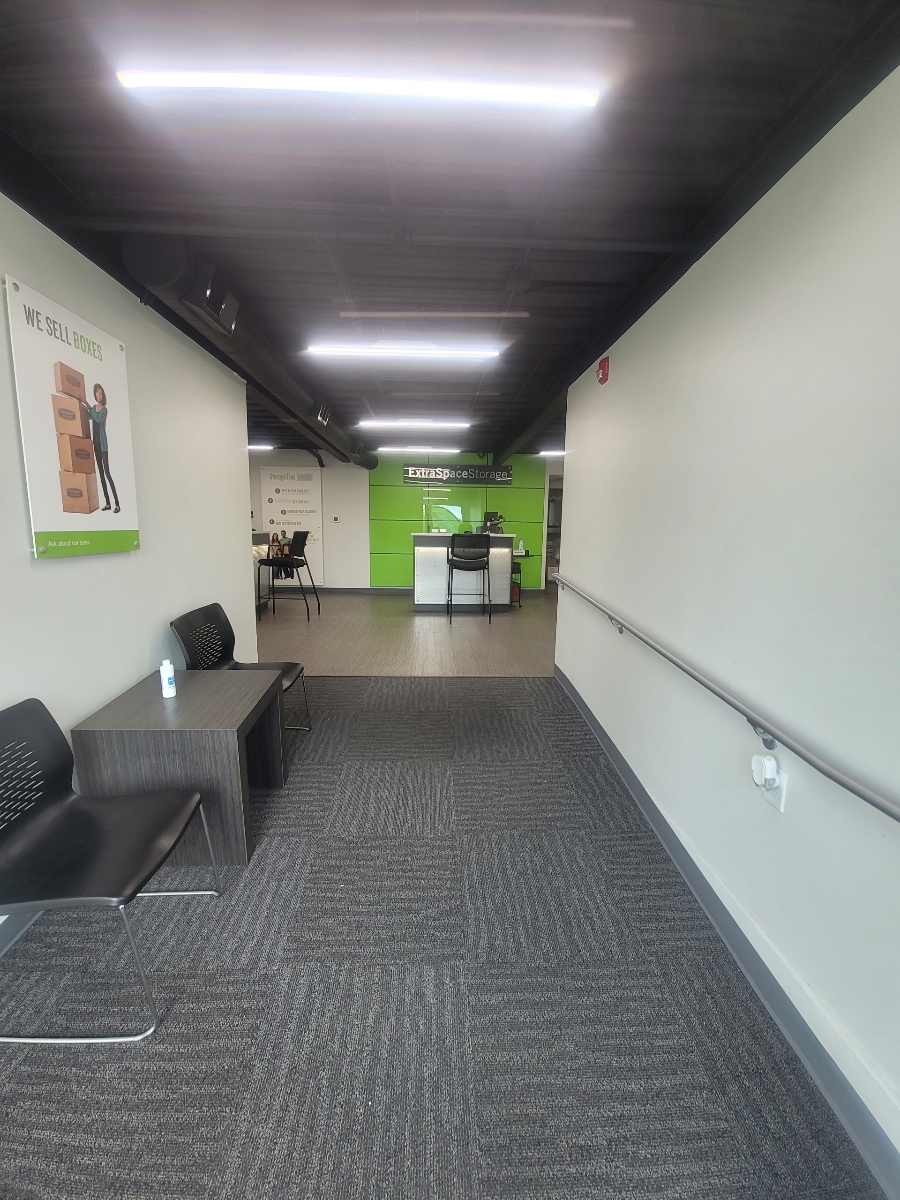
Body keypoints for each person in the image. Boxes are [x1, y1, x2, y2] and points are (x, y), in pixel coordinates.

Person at [83, 383, 119, 513]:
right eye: (97, 392)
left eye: (101, 393)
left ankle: (117, 504)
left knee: (107, 473)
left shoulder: (104, 410)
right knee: (101, 475)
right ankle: (108, 503)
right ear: (95, 394)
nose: (99, 395)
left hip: (103, 446)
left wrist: (87, 405)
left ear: (103, 395)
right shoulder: (93, 408)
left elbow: (97, 418)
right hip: (96, 445)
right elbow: (88, 416)